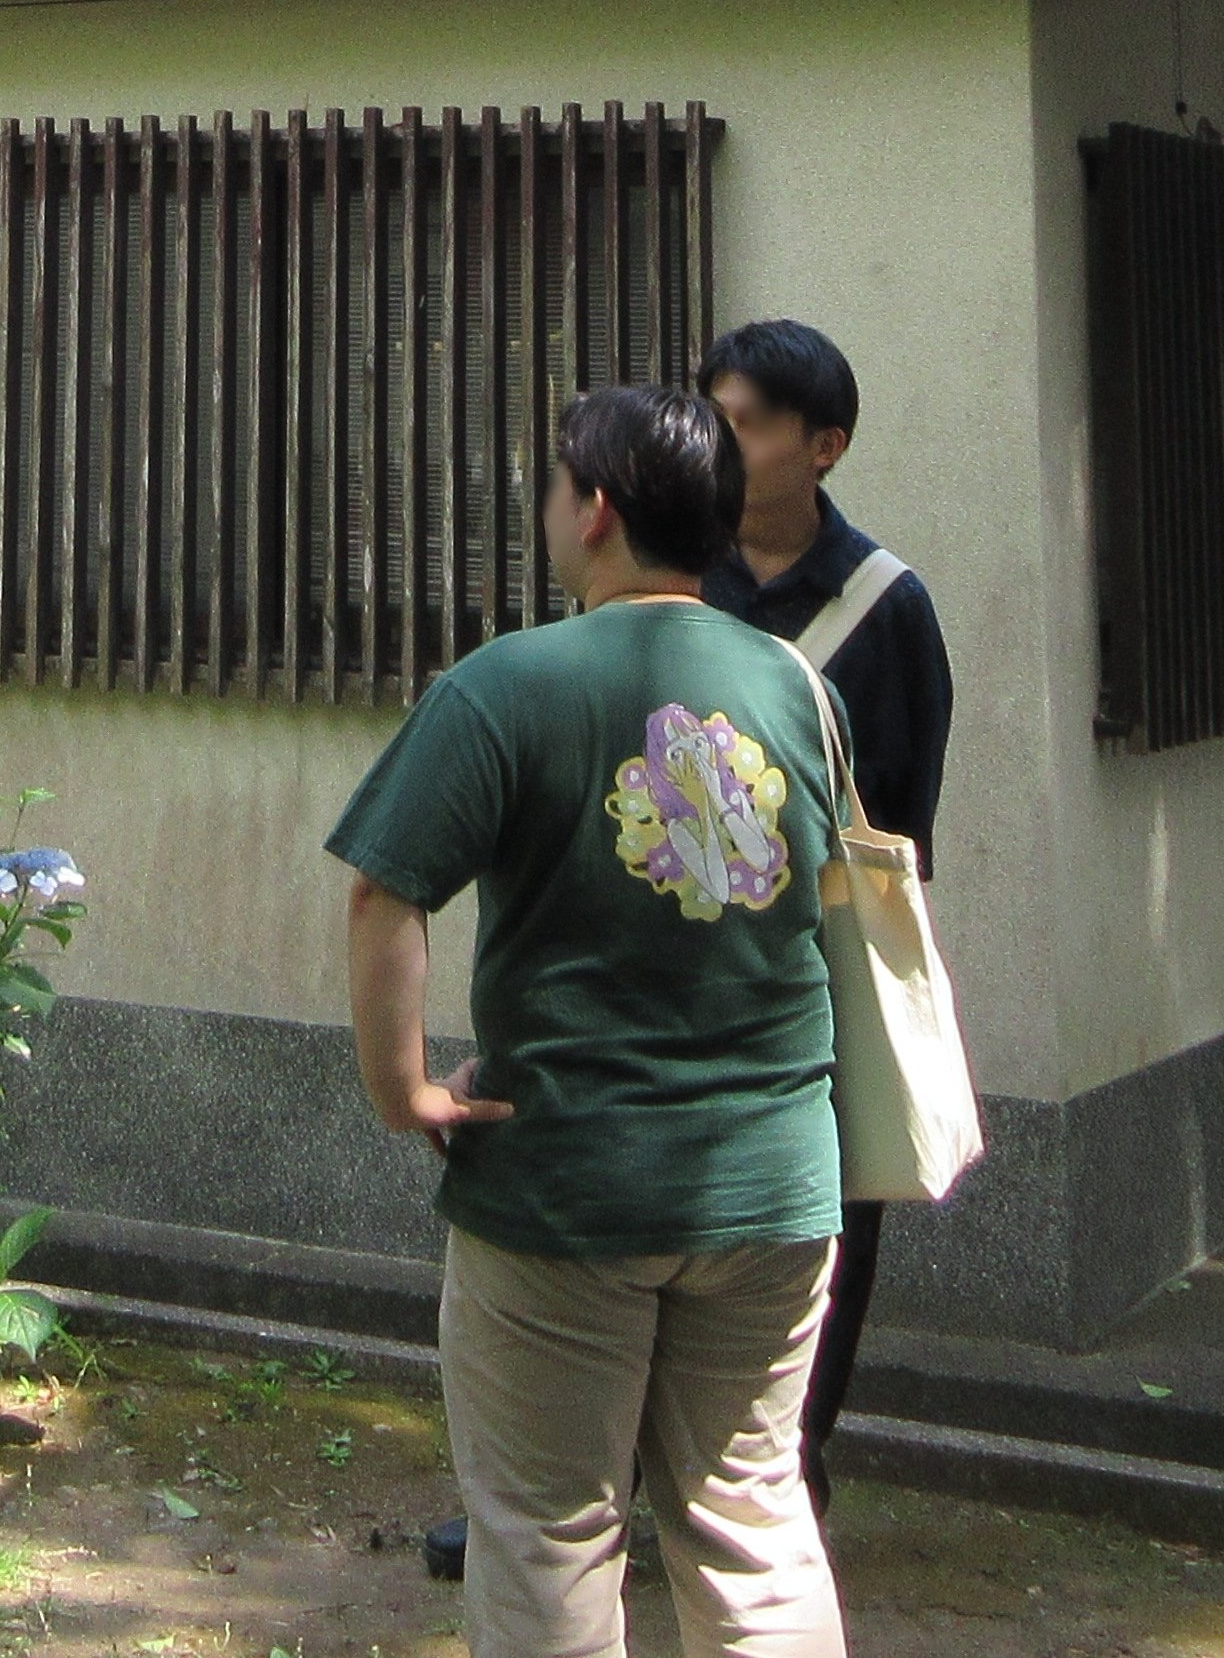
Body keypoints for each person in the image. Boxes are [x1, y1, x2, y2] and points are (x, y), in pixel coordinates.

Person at [327, 386, 846, 1658]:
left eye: (554, 484)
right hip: (777, 1179)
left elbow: (385, 890)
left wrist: (403, 1094)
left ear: (596, 509)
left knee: (551, 1532)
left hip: (566, 1180)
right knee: (752, 1524)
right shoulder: (792, 685)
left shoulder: (506, 685)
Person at [699, 316, 955, 1488]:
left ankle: (785, 1475)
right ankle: (589, 1487)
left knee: (828, 1223)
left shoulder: (887, 609)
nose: (720, 438)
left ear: (825, 447)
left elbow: (899, 830)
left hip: (810, 971)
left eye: (746, 422)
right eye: (712, 414)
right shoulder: (663, 574)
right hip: (665, 969)